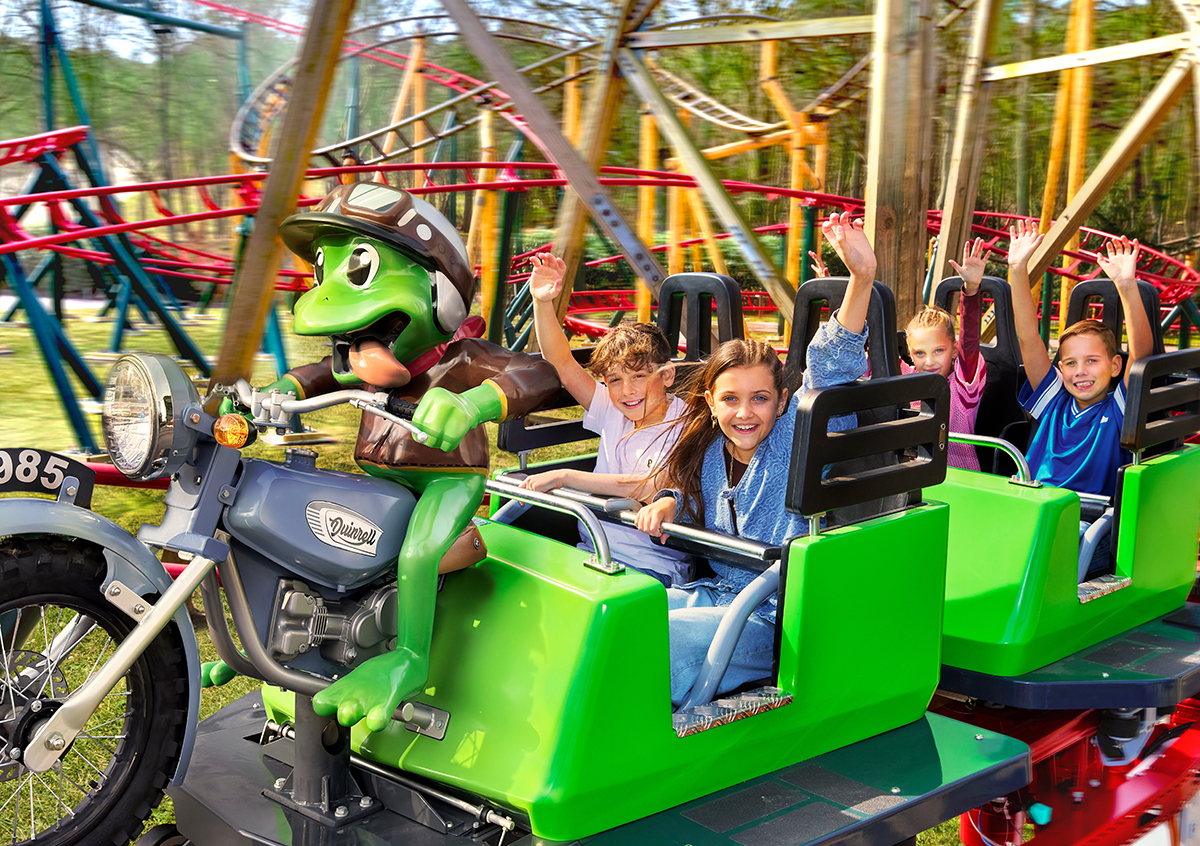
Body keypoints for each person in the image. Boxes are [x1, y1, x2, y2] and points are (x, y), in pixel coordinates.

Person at [635, 212, 875, 706]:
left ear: (783, 402)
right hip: (718, 594)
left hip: (768, 617)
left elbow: (828, 368)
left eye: (760, 399)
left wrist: (862, 277)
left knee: (656, 647)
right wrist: (670, 500)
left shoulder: (791, 440)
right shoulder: (710, 451)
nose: (745, 413)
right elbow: (697, 499)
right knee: (622, 617)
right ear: (710, 401)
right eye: (730, 399)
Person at [521, 252, 692, 587]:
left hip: (649, 566)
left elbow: (650, 485)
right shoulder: (613, 409)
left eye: (640, 376)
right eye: (615, 380)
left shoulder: (684, 424)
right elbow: (563, 363)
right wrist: (541, 302)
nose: (627, 391)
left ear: (667, 375)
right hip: (593, 550)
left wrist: (566, 476)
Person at [1006, 220, 1153, 577]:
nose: (1080, 372)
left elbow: (1142, 352)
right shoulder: (1054, 400)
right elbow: (1028, 338)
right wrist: (1018, 269)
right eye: (1070, 363)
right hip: (1035, 507)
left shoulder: (1118, 408)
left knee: (1047, 552)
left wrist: (1126, 285)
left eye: (1092, 361)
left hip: (1088, 522)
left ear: (1115, 366)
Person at [900, 238, 989, 470]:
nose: (929, 361)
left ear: (954, 349)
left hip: (957, 478)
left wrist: (971, 291)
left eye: (939, 351)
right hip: (913, 477)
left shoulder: (962, 387)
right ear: (910, 353)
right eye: (920, 353)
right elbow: (868, 349)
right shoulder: (904, 378)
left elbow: (970, 343)